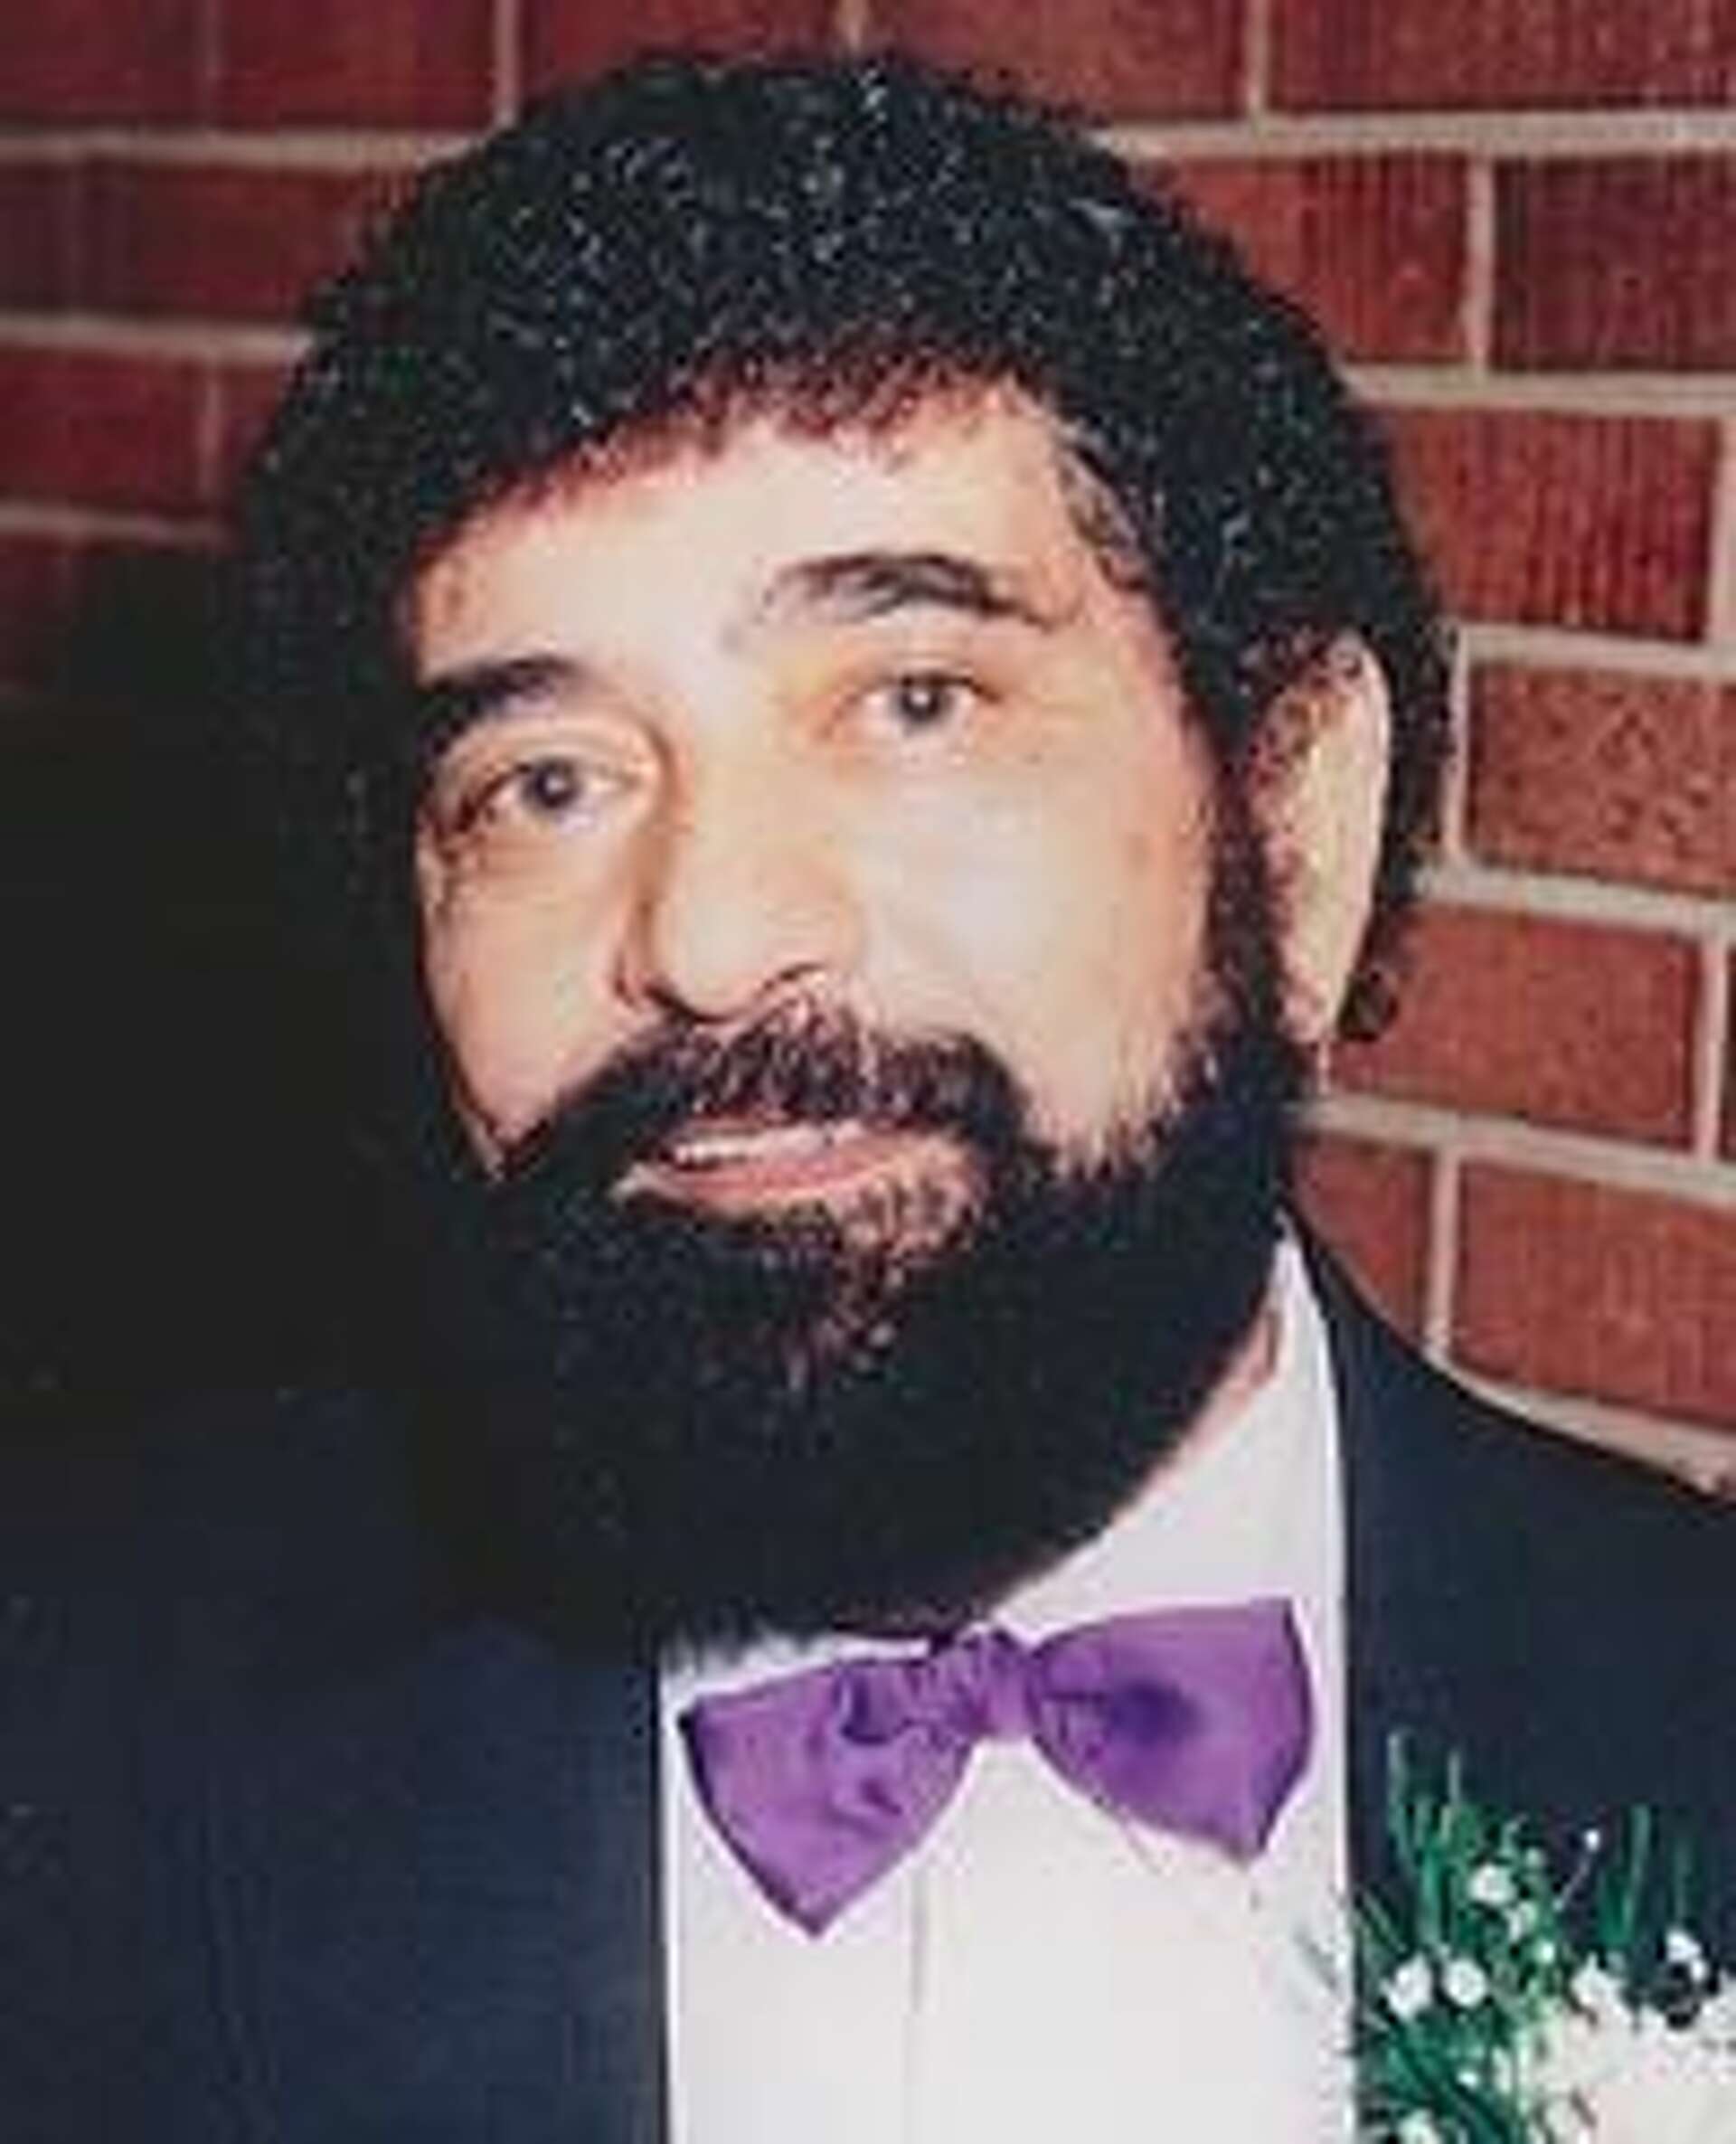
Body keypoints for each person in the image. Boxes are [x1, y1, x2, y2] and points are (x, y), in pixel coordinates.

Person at [6, 51, 1734, 2143]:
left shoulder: (1689, 1714)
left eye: (915, 703)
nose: (714, 932)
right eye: (546, 782)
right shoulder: (77, 1723)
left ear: (1295, 820)